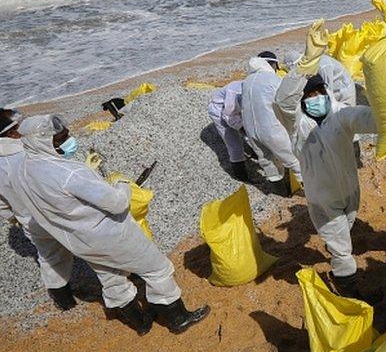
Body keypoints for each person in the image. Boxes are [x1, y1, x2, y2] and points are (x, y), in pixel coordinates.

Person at [10, 115, 209, 335]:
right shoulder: (70, 173)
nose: (69, 140)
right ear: (44, 141)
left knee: (111, 276)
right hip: (109, 235)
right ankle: (177, 317)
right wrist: (121, 184)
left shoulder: (19, 171)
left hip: (78, 240)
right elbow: (116, 203)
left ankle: (139, 322)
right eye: (62, 137)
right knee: (156, 269)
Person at [297, 101, 377, 298]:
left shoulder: (338, 114)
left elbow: (361, 117)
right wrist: (300, 73)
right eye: (309, 95)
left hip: (350, 193)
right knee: (342, 251)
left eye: (319, 92)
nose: (315, 99)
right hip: (323, 201)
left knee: (344, 230)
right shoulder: (297, 125)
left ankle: (337, 249)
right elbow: (284, 102)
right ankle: (348, 290)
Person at [0, 109, 77, 311]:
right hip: (60, 211)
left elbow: (2, 206)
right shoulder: (28, 151)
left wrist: (16, 218)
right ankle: (121, 288)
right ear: (13, 131)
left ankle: (64, 300)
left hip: (30, 220)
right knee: (92, 246)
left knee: (49, 257)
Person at [241, 53, 302, 196]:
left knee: (267, 161)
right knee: (293, 160)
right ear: (273, 65)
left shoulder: (247, 81)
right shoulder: (272, 79)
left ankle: (280, 194)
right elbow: (286, 101)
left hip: (252, 130)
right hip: (271, 129)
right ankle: (312, 192)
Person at [207, 80, 248, 182]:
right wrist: (242, 129)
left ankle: (253, 152)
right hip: (219, 109)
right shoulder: (235, 91)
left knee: (250, 132)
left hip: (235, 108)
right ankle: (240, 175)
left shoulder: (254, 87)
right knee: (234, 144)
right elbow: (228, 115)